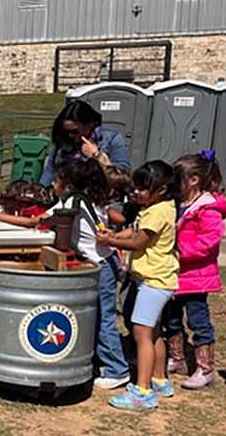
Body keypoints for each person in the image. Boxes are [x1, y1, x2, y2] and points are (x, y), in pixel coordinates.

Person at [0, 158, 131, 390]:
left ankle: (117, 369)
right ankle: (107, 362)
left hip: (101, 265)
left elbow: (34, 223)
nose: (53, 185)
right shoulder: (87, 197)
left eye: (56, 180)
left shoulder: (71, 202)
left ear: (66, 184)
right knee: (99, 316)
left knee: (104, 319)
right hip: (107, 261)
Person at [96, 161, 181, 411]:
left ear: (162, 190)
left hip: (155, 282)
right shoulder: (161, 207)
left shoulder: (156, 213)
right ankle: (159, 380)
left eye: (143, 188)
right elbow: (132, 232)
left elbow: (138, 243)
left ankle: (142, 393)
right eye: (135, 188)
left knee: (141, 335)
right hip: (157, 280)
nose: (135, 193)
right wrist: (113, 235)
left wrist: (109, 240)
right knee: (153, 333)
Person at [163, 151, 226, 390]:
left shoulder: (207, 209)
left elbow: (209, 242)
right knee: (171, 318)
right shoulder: (179, 205)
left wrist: (179, 250)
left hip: (197, 277)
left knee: (198, 321)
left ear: (193, 180)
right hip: (176, 274)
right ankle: (177, 359)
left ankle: (205, 369)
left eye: (177, 180)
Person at [39, 100, 131, 187]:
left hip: (98, 195)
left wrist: (97, 156)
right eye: (66, 131)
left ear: (90, 124)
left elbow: (123, 176)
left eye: (75, 131)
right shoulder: (64, 140)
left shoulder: (111, 139)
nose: (70, 135)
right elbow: (50, 170)